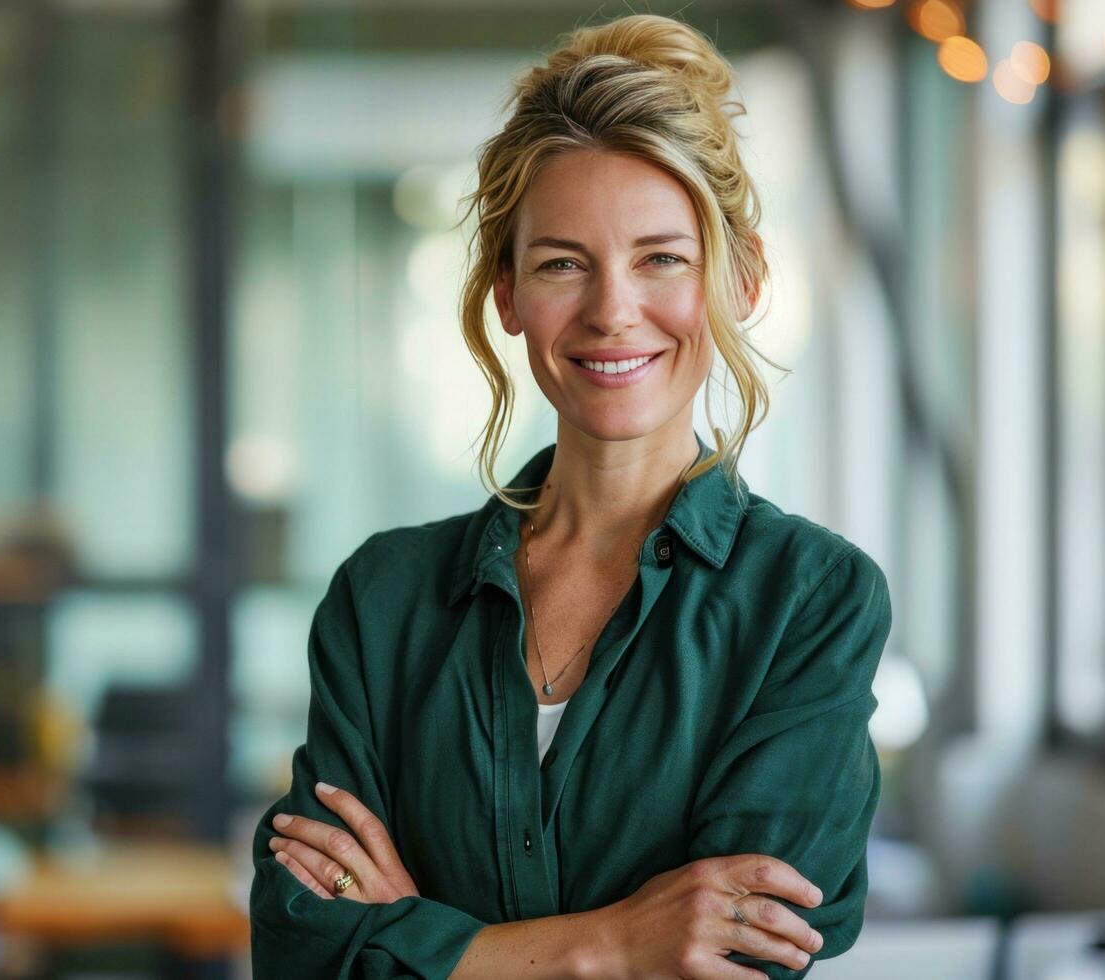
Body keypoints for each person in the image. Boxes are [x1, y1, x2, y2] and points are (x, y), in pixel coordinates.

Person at [249, 13, 891, 979]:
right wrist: (614, 944)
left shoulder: (809, 600)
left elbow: (739, 957)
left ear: (741, 276)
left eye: (660, 258)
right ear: (504, 291)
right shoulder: (383, 598)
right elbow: (302, 945)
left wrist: (420, 940)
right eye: (561, 262)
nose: (610, 310)